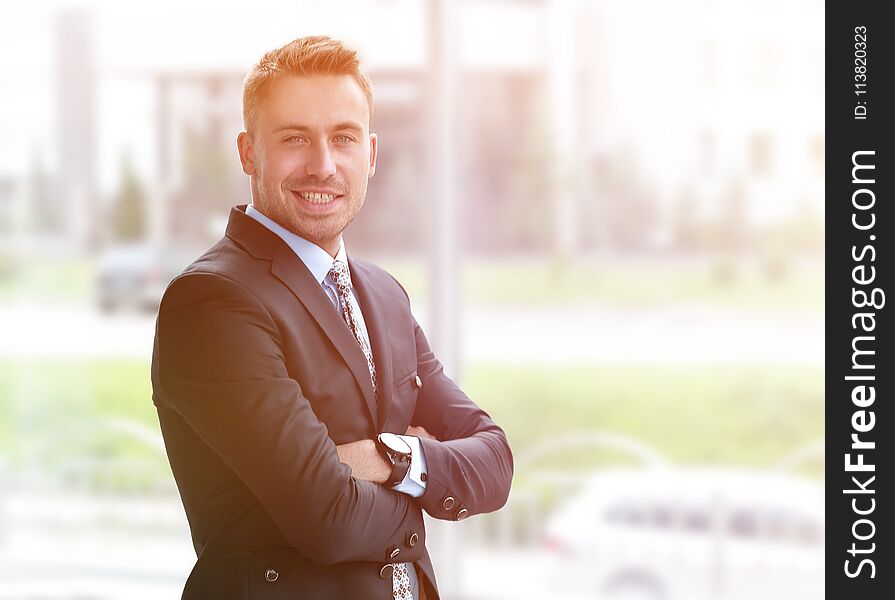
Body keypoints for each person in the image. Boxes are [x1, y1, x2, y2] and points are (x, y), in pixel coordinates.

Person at [151, 35, 514, 600]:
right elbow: (327, 519)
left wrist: (389, 457)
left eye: (343, 138)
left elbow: (495, 462)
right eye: (295, 139)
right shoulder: (212, 302)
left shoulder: (384, 294)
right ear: (249, 152)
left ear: (369, 154)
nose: (323, 165)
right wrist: (428, 486)